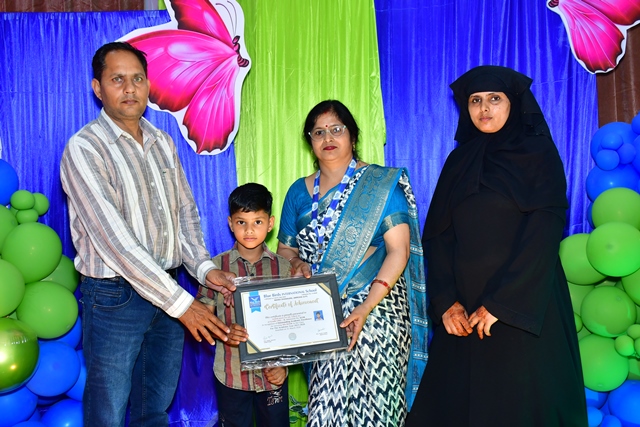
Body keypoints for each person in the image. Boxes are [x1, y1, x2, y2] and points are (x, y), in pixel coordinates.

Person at [60, 41, 244, 427]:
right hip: (115, 297)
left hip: (168, 290)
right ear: (97, 88)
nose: (130, 88)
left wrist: (205, 270)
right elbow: (115, 241)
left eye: (138, 79)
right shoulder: (84, 148)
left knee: (154, 408)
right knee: (107, 413)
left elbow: (184, 216)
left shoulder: (162, 141)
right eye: (117, 79)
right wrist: (182, 304)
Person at [406, 66, 588, 426]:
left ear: (514, 103)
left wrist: (502, 303)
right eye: (475, 100)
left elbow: (544, 231)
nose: (484, 108)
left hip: (524, 303)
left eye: (494, 98)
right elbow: (438, 237)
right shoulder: (458, 162)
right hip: (464, 312)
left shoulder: (538, 153)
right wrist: (446, 303)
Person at [277, 100, 428, 426]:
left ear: (353, 136)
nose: (328, 137)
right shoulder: (298, 193)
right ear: (310, 141)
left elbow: (398, 251)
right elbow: (285, 250)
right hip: (322, 314)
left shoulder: (379, 185)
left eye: (336, 129)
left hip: (378, 311)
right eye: (318, 132)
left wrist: (366, 307)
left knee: (378, 411)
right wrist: (296, 264)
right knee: (326, 410)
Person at [197, 183, 290, 427]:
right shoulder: (214, 269)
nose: (249, 230)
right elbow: (202, 319)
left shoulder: (284, 268)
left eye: (257, 222)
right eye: (241, 222)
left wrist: (284, 366)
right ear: (230, 223)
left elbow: (293, 326)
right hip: (231, 374)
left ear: (270, 224)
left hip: (273, 375)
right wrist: (225, 332)